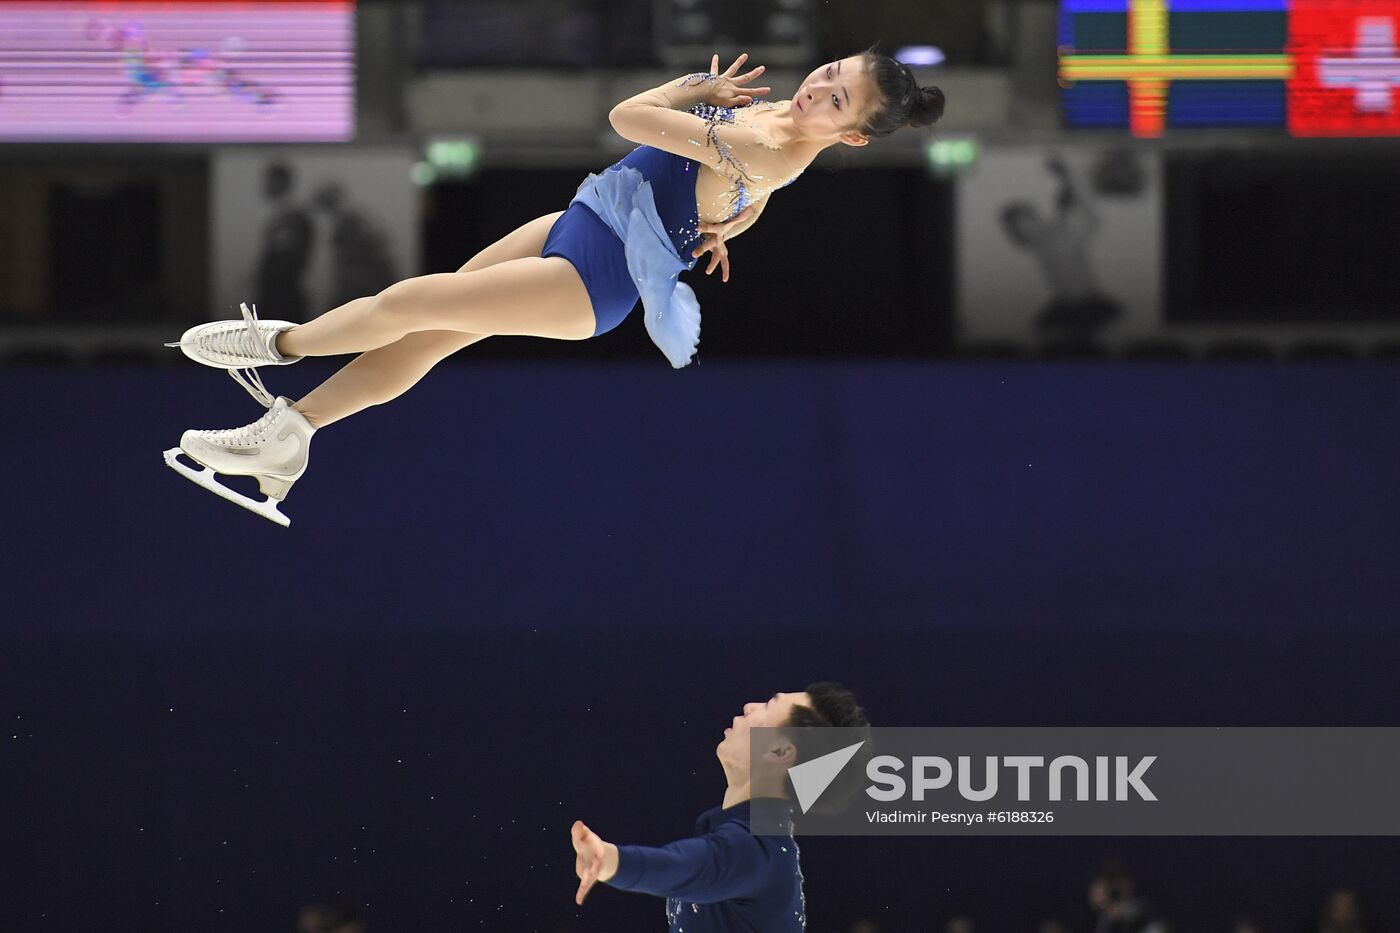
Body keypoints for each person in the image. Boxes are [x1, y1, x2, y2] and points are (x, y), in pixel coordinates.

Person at [163, 49, 945, 525]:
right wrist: (721, 225)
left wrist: (687, 90)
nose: (816, 90)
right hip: (586, 220)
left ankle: (277, 344)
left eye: (836, 100)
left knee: (412, 302)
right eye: (830, 73)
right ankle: (290, 435)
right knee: (428, 336)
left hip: (589, 280)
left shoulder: (767, 146)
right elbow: (755, 199)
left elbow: (627, 118)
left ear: (851, 135)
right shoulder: (780, 131)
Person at [570, 683, 871, 933]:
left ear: (780, 751)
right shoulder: (761, 843)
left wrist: (610, 860)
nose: (750, 706)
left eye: (768, 705)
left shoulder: (756, 848)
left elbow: (685, 867)